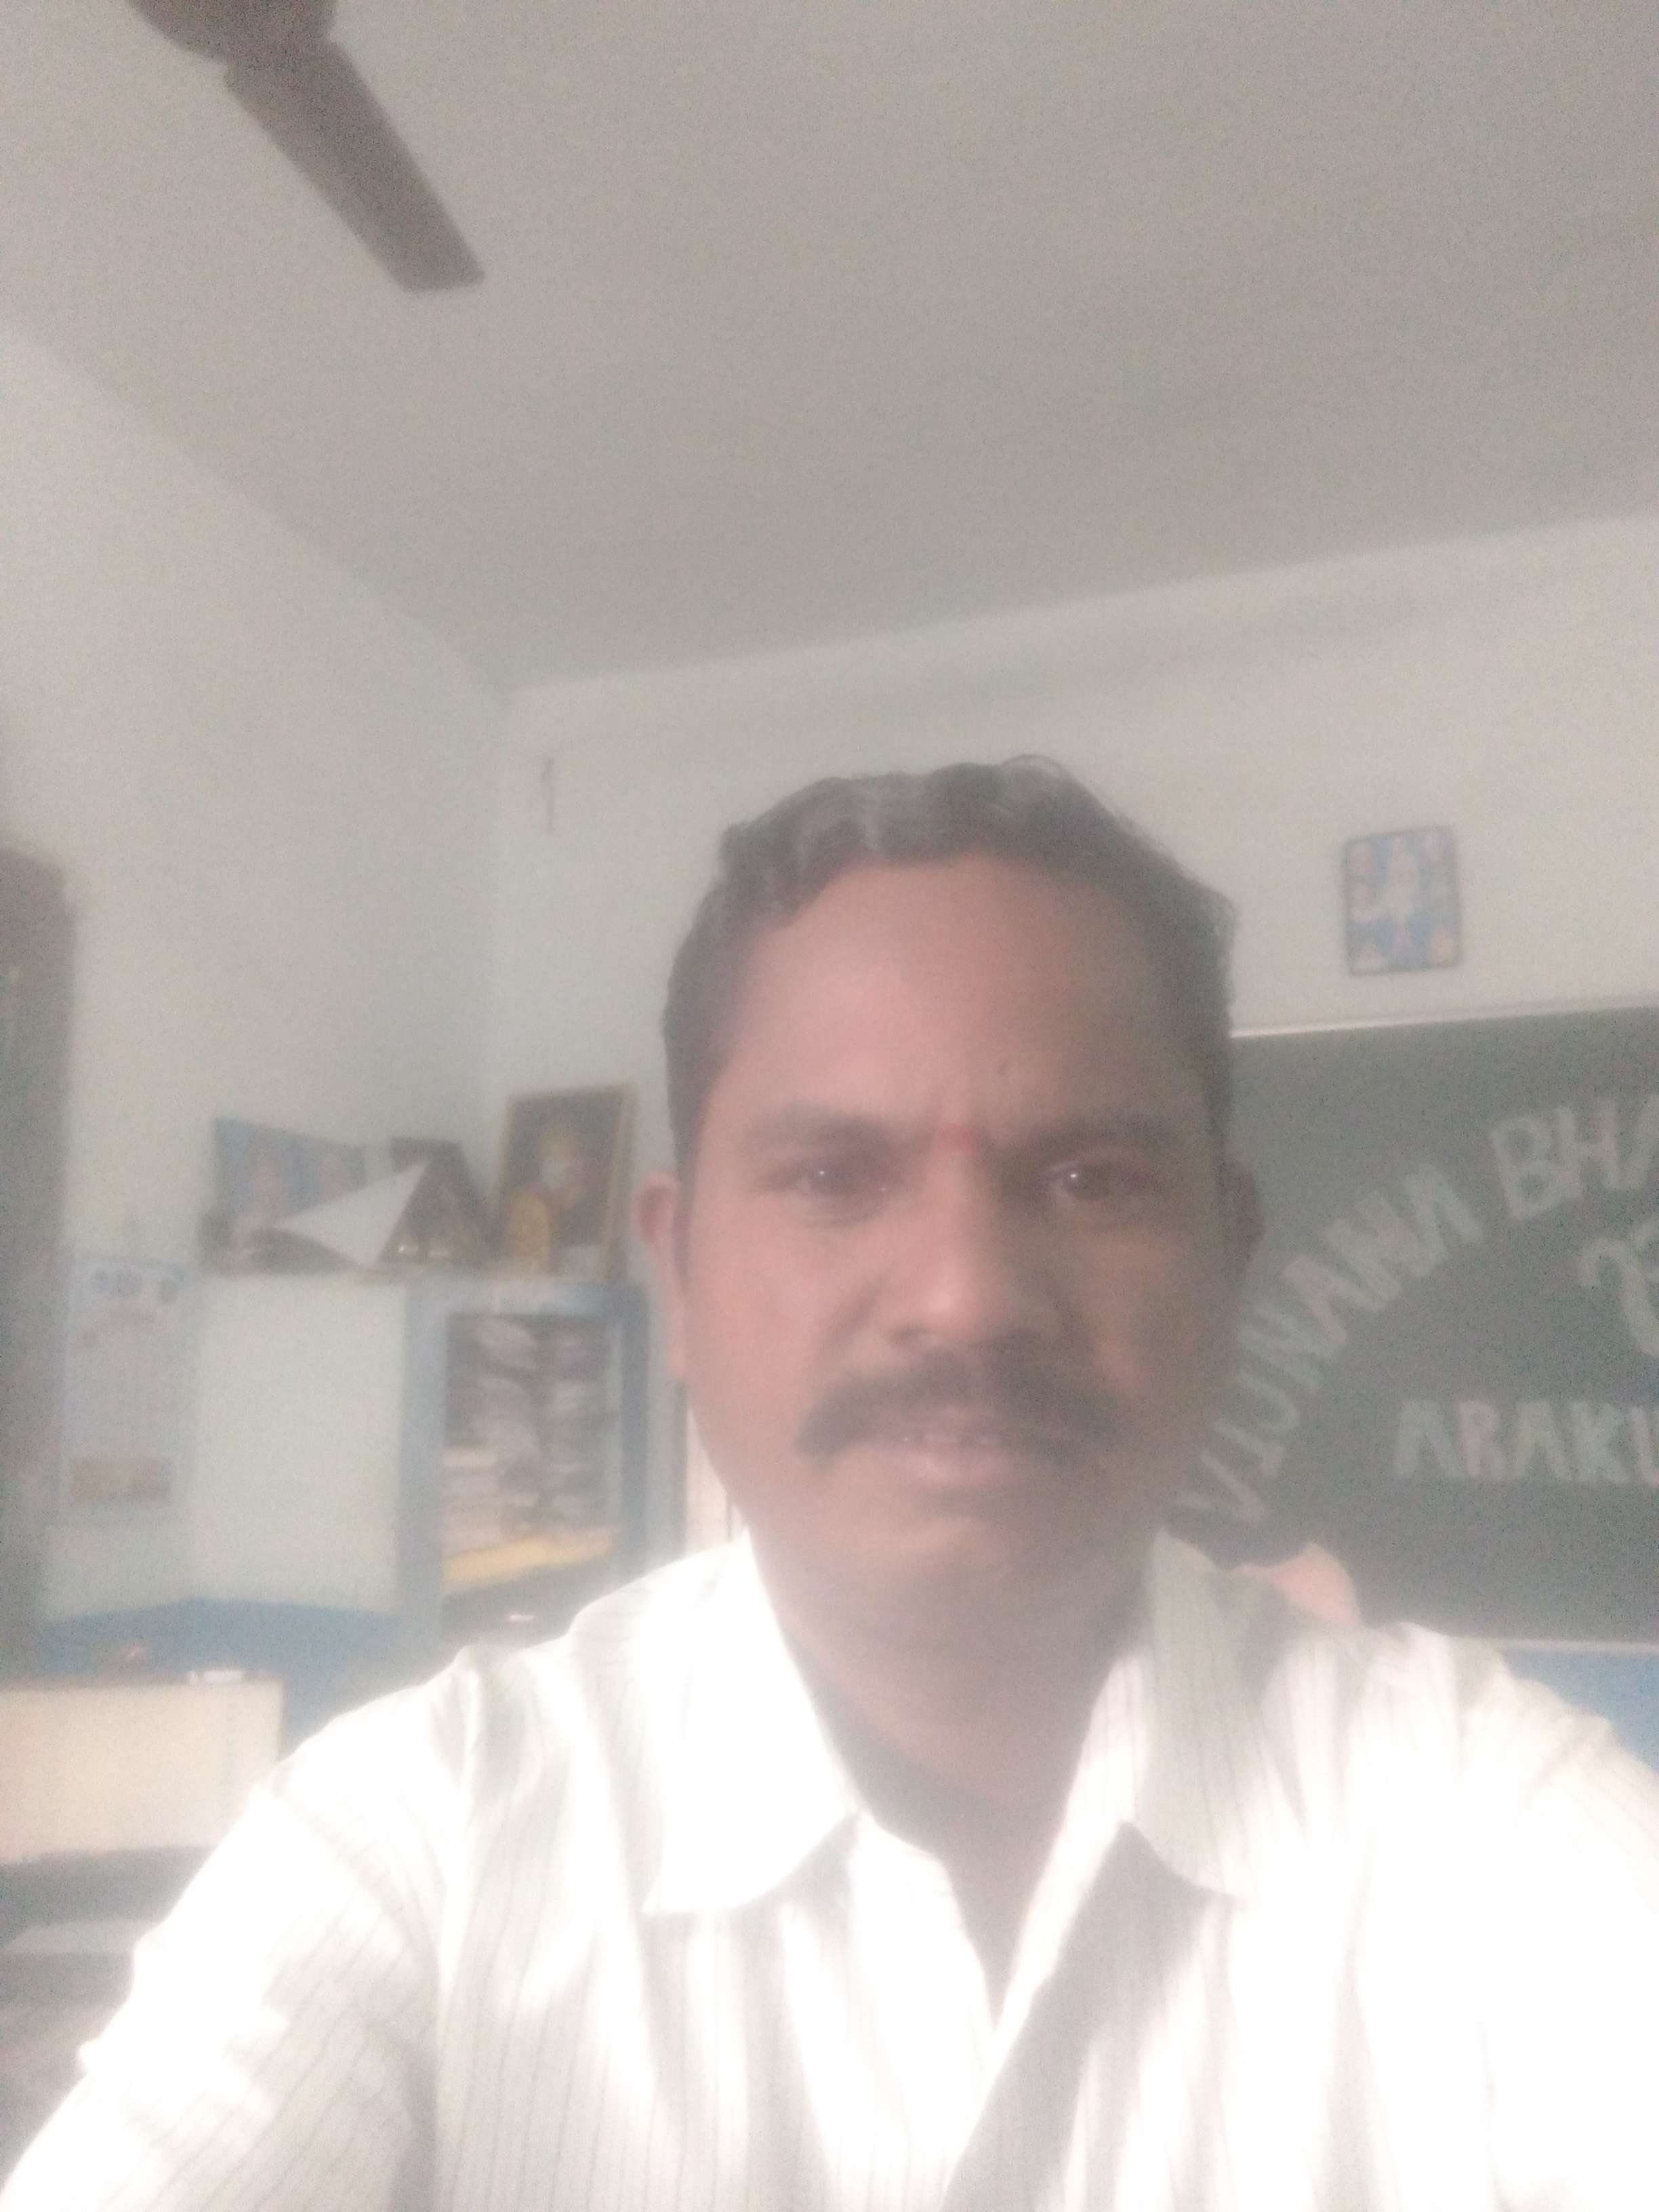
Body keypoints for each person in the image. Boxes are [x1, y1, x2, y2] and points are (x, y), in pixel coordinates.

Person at [6, 759, 1658, 2210]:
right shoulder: (414, 1842)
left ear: (1228, 1260)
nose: (965, 1298)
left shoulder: (1482, 1817)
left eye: (1092, 1177)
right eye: (829, 1176)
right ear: (677, 1275)